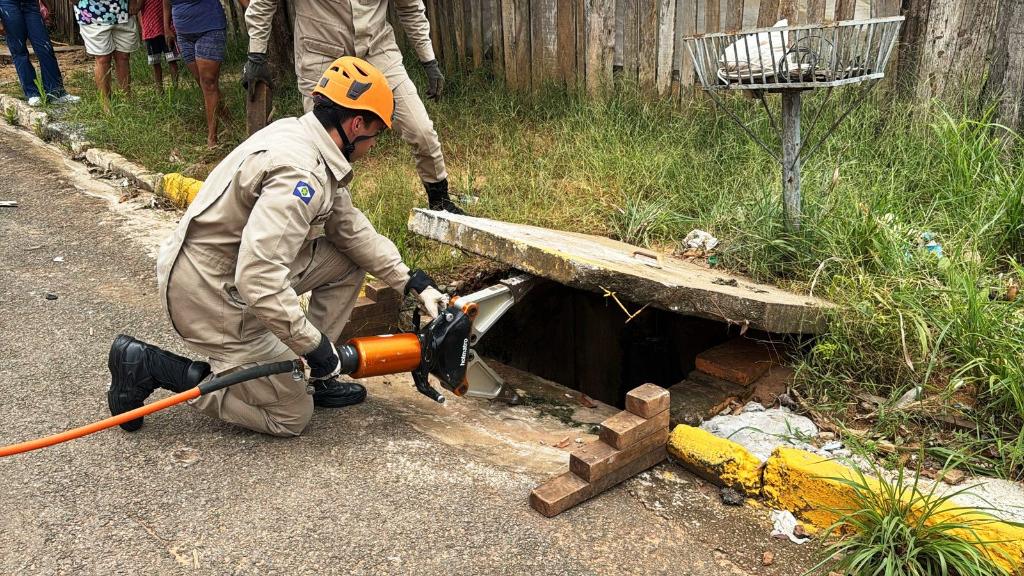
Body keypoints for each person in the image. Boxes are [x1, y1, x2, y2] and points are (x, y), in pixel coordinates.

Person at [107, 57, 447, 437]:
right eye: (375, 134)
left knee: (350, 260)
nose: (372, 145)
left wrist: (411, 282)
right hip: (209, 298)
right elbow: (258, 279)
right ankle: (152, 367)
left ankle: (311, 374)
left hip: (224, 272)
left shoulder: (305, 139)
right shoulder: (301, 175)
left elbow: (349, 229)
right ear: (355, 125)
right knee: (290, 416)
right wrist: (314, 345)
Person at [241, 0, 465, 214]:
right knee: (323, 149)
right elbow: (263, 3)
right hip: (320, 54)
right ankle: (328, 217)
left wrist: (429, 61)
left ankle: (440, 202)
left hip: (376, 50)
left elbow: (410, 8)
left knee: (421, 129)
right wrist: (256, 54)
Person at [162, 0, 227, 147]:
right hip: (183, 33)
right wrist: (166, 27)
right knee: (203, 83)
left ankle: (212, 139)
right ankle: (229, 122)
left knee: (208, 82)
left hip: (210, 27)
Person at [0, 0, 79, 105]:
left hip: (31, 4)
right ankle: (32, 93)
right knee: (19, 51)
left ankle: (56, 92)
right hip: (7, 4)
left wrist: (46, 4)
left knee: (45, 47)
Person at [74, 0, 140, 113]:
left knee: (123, 56)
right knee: (103, 58)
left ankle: (127, 100)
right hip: (92, 12)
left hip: (122, 10)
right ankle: (106, 103)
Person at [139, 0, 178, 92]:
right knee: (155, 62)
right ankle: (159, 90)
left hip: (167, 29)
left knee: (172, 60)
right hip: (150, 29)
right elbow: (138, 9)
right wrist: (142, 28)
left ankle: (175, 89)